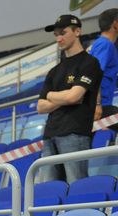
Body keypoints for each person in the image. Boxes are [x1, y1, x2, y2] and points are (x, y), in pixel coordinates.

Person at [38, 14, 103, 183]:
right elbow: (40, 106)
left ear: (78, 31)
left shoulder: (90, 63)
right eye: (56, 34)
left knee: (76, 186)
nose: (59, 38)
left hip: (75, 133)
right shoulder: (54, 70)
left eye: (63, 32)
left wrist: (52, 96)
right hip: (50, 134)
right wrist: (63, 97)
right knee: (49, 191)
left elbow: (75, 96)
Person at [88, 8, 118, 124]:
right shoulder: (105, 44)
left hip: (102, 104)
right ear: (115, 24)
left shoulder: (106, 44)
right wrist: (97, 104)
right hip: (99, 106)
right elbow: (95, 74)